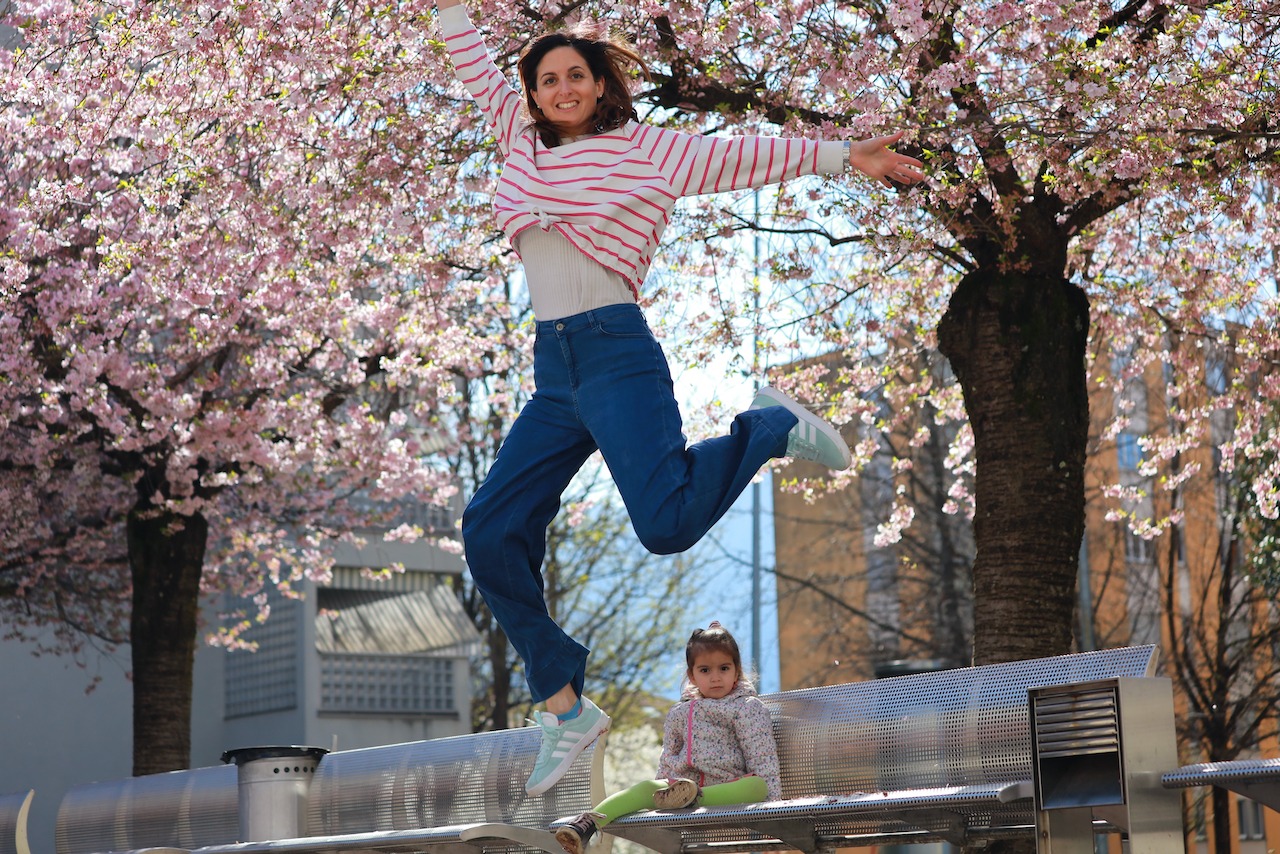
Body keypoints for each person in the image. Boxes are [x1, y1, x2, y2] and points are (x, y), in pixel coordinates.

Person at [435, 0, 924, 797]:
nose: (561, 88)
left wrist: (841, 156)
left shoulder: (646, 151)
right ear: (531, 95)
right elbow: (464, 54)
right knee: (489, 532)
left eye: (576, 76)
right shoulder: (517, 140)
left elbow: (743, 158)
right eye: (547, 79)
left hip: (617, 354)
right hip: (553, 372)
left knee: (664, 526)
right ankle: (566, 707)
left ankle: (767, 427)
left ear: (599, 86)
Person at [553, 622, 781, 854]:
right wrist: (660, 793)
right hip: (680, 787)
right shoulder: (681, 712)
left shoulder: (745, 707)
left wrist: (773, 817)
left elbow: (762, 758)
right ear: (692, 676)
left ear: (736, 671)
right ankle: (586, 825)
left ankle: (694, 798)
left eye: (723, 668)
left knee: (757, 785)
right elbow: (668, 758)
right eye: (705, 670)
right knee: (645, 788)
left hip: (726, 789)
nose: (715, 678)